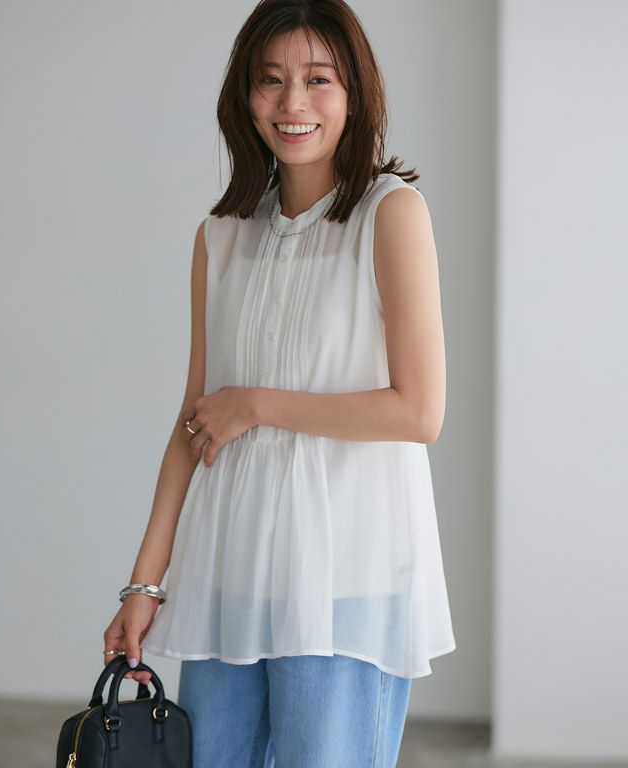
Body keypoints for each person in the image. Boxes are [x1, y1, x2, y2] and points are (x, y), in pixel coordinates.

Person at [103, 1, 456, 765]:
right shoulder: (222, 237)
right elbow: (194, 422)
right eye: (270, 80)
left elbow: (419, 411)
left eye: (318, 79)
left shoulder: (390, 214)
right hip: (229, 576)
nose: (293, 102)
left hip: (346, 583)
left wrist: (258, 404)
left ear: (354, 94)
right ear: (246, 96)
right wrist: (143, 585)